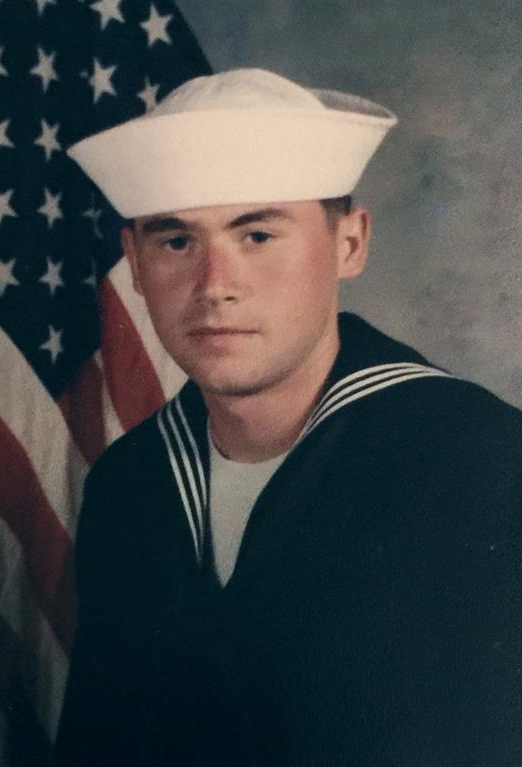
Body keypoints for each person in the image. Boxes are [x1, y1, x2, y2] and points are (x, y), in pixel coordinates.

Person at [55, 69, 521, 766]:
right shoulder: (128, 485)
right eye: (176, 241)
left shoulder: (481, 462)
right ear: (135, 264)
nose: (215, 286)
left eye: (257, 235)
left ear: (349, 244)